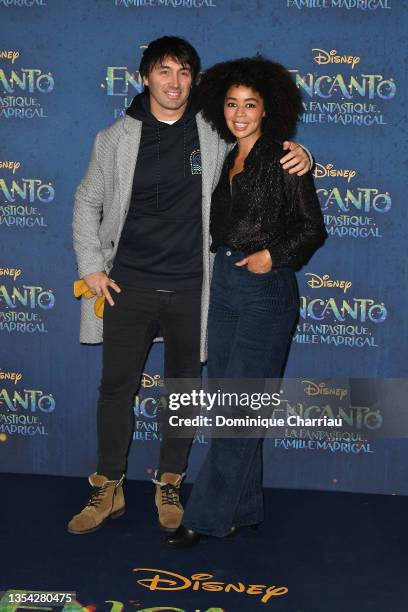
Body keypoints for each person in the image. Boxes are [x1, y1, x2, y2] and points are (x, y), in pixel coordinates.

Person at [69, 37, 312, 535]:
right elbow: (84, 201)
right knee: (116, 388)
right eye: (164, 71)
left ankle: (170, 483)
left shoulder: (212, 131)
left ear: (195, 81)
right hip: (127, 286)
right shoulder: (114, 137)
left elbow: (258, 140)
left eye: (184, 72)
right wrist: (92, 265)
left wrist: (300, 151)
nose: (174, 82)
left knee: (182, 392)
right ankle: (107, 486)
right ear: (145, 77)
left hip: (194, 288)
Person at [167, 56, 327, 548]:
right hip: (225, 287)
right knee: (236, 407)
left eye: (250, 105)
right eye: (232, 104)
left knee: (237, 410)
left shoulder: (285, 158)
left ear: (267, 109)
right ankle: (245, 509)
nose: (239, 113)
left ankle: (207, 516)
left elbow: (311, 228)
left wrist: (273, 257)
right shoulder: (224, 155)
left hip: (265, 290)